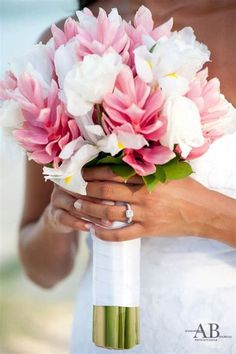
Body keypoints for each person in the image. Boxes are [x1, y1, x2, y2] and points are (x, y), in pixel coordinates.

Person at [19, 0, 236, 353]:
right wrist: (56, 221)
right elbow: (42, 273)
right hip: (100, 341)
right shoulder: (67, 41)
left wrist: (204, 217)